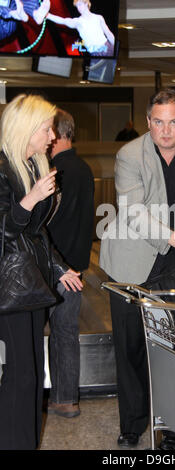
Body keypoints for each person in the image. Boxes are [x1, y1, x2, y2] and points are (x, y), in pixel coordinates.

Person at [100, 88, 175, 448]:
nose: (165, 131)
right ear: (149, 121)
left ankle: (173, 427)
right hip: (131, 260)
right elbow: (134, 213)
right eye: (157, 122)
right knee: (132, 345)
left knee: (174, 347)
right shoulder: (129, 154)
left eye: (173, 122)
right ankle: (132, 425)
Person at [0, 94, 83, 450]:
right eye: (46, 128)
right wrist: (30, 199)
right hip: (10, 285)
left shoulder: (32, 164)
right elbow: (5, 228)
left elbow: (35, 231)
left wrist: (57, 265)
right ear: (26, 128)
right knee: (21, 375)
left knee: (32, 374)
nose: (52, 136)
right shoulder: (3, 168)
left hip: (32, 282)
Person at [46, 108, 94, 418]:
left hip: (51, 268)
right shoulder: (84, 169)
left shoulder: (51, 172)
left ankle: (46, 396)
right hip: (75, 267)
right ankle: (66, 399)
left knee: (44, 332)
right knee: (66, 334)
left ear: (59, 134)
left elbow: (45, 223)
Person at [36, 0, 115, 56]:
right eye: (77, 6)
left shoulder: (99, 17)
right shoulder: (78, 21)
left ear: (86, 3)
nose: (78, 8)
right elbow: (63, 21)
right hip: (95, 53)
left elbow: (109, 34)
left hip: (108, 47)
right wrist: (47, 15)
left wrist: (116, 49)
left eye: (80, 5)